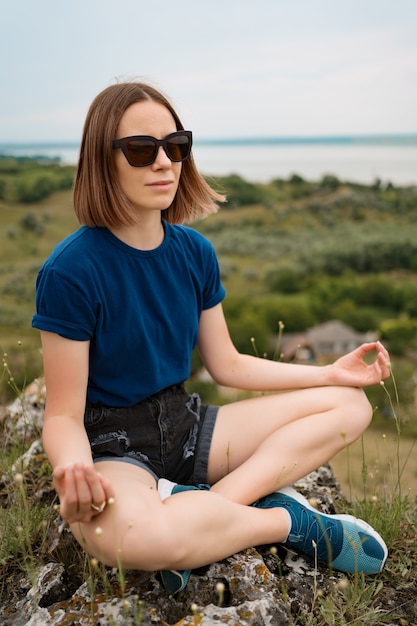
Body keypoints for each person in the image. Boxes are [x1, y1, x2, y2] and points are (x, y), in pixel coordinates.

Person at [32, 82, 390, 595]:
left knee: (350, 406)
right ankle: (286, 524)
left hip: (188, 426)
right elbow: (63, 416)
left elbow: (228, 365)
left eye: (175, 145)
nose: (163, 162)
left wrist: (328, 374)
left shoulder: (194, 252)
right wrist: (73, 468)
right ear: (101, 160)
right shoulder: (70, 272)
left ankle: (208, 510)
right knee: (128, 540)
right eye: (140, 149)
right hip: (114, 447)